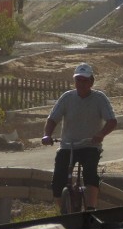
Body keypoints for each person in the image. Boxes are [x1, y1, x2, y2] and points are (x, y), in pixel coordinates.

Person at [42, 63, 117, 211]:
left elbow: (112, 121)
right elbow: (52, 119)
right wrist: (47, 135)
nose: (81, 84)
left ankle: (90, 208)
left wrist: (100, 134)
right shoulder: (67, 98)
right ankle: (62, 209)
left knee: (90, 174)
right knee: (58, 180)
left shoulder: (99, 98)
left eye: (84, 80)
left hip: (89, 145)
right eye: (78, 80)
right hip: (68, 145)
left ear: (91, 82)